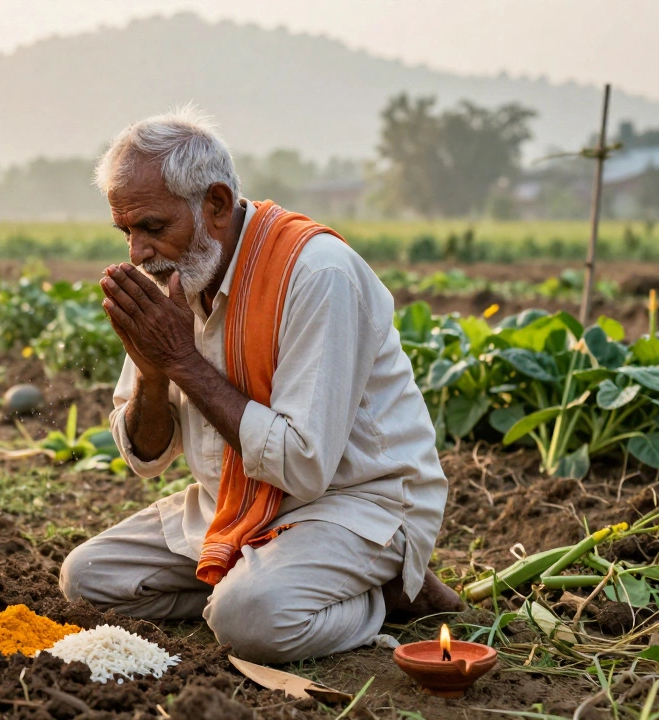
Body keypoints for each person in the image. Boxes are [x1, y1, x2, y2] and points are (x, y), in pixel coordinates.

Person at [59, 106, 463, 664]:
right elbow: (146, 456)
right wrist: (154, 371)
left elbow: (304, 466)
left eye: (152, 228)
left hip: (355, 504)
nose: (137, 252)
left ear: (217, 205)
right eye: (126, 231)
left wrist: (180, 359)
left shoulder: (318, 274)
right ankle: (271, 583)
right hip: (237, 501)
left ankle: (380, 594)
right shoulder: (180, 278)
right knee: (86, 579)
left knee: (246, 620)